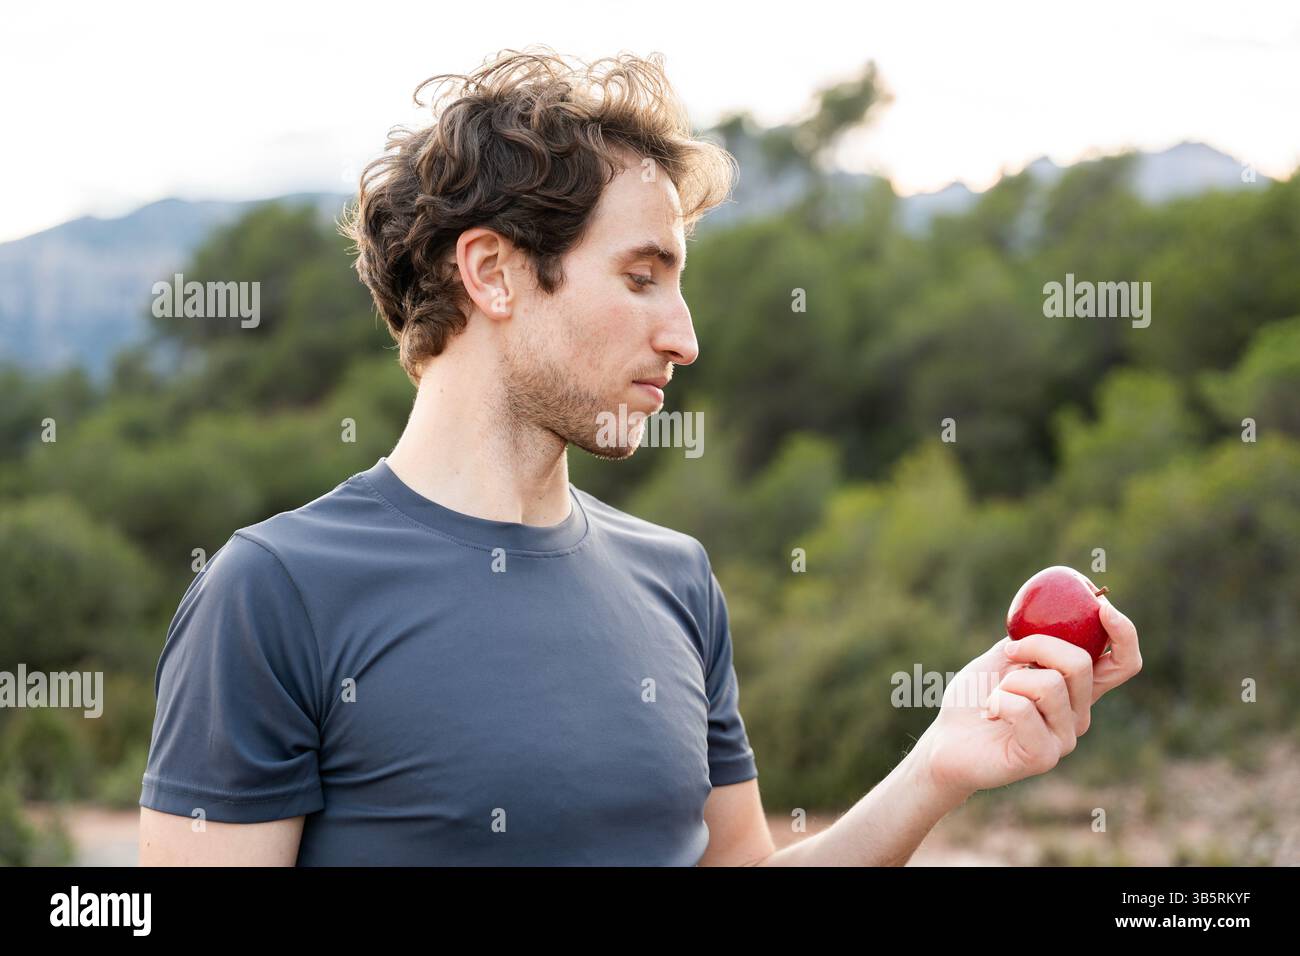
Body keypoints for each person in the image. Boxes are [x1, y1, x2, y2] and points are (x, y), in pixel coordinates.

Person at [138, 47, 1142, 866]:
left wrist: (941, 764)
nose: (684, 336)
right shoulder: (274, 592)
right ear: (492, 271)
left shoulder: (674, 577)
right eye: (641, 277)